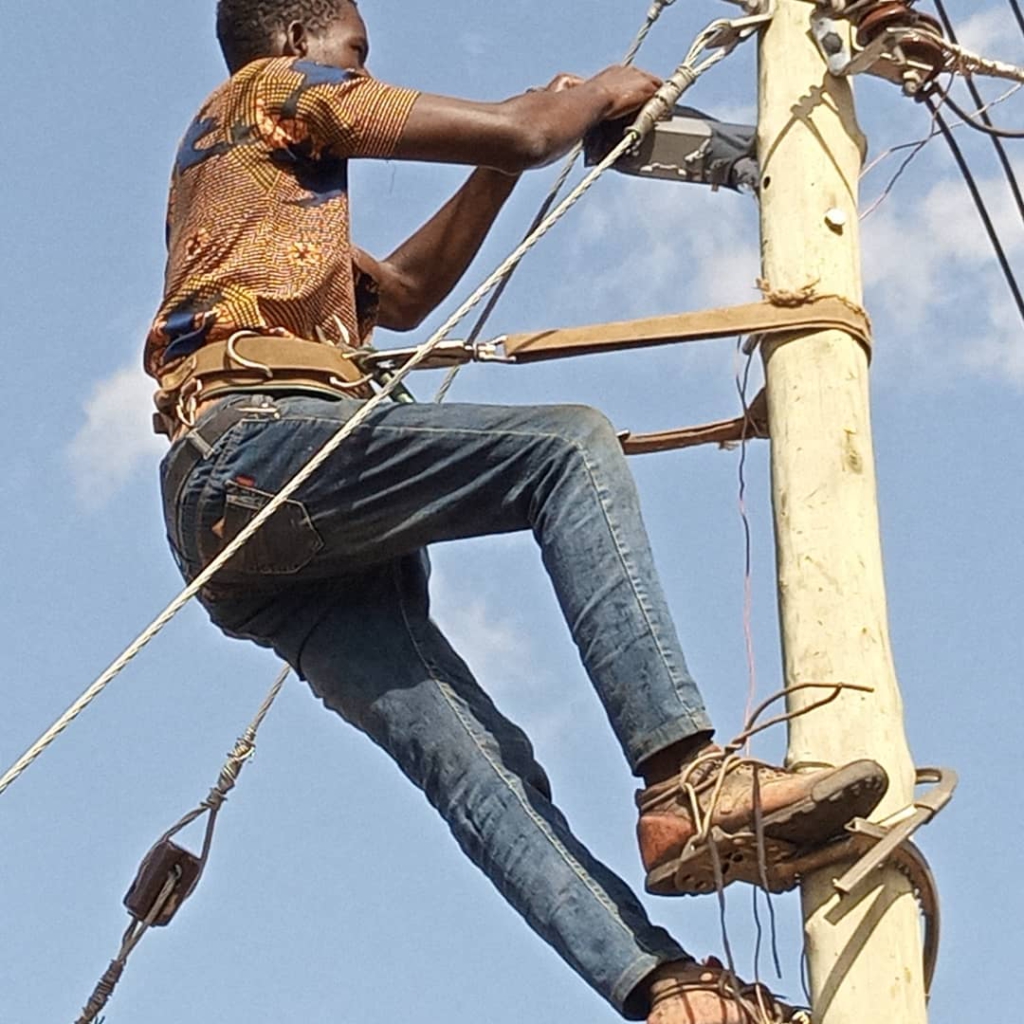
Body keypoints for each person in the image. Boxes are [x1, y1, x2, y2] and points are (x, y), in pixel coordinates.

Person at [147, 2, 888, 1020]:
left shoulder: (261, 207)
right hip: (256, 449)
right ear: (296, 43)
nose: (364, 71)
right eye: (353, 53)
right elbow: (524, 133)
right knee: (564, 446)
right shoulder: (273, 94)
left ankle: (672, 994)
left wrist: (504, 160)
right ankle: (687, 783)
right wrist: (585, 102)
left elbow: (401, 292)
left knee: (476, 759)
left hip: (237, 521)